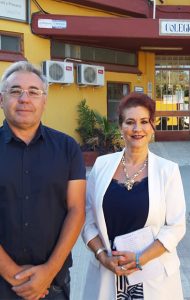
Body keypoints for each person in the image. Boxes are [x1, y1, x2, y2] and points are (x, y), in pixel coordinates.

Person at [82, 92, 186, 300]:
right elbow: (87, 220)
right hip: (109, 271)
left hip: (152, 273)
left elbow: (175, 227)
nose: (137, 129)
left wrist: (140, 259)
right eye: (130, 122)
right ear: (120, 127)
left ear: (152, 127)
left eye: (144, 122)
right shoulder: (102, 166)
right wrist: (102, 256)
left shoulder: (168, 171)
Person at [0, 61, 86, 300]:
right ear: (1, 99)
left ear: (44, 101)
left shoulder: (67, 148)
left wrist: (48, 272)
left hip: (53, 284)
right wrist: (14, 275)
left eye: (34, 92)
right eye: (15, 91)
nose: (24, 98)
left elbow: (77, 209)